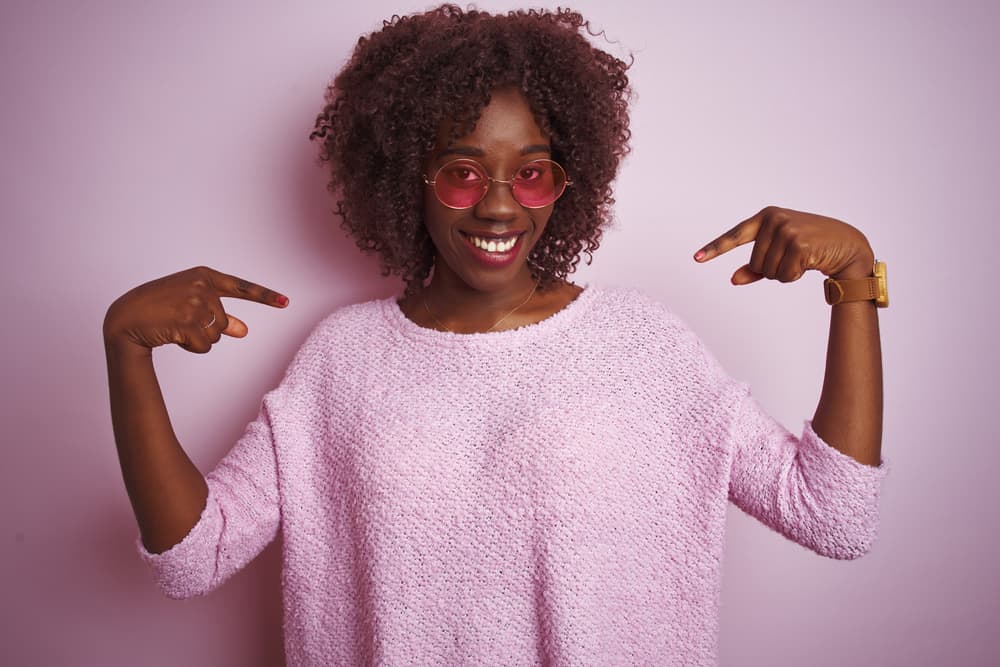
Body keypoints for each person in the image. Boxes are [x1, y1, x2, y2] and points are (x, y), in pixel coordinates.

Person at [103, 5, 889, 665]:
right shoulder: (342, 359)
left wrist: (855, 284)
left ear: (569, 177)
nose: (500, 206)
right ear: (405, 171)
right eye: (463, 170)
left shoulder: (644, 345)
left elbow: (832, 514)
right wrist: (127, 350)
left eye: (533, 171)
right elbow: (192, 555)